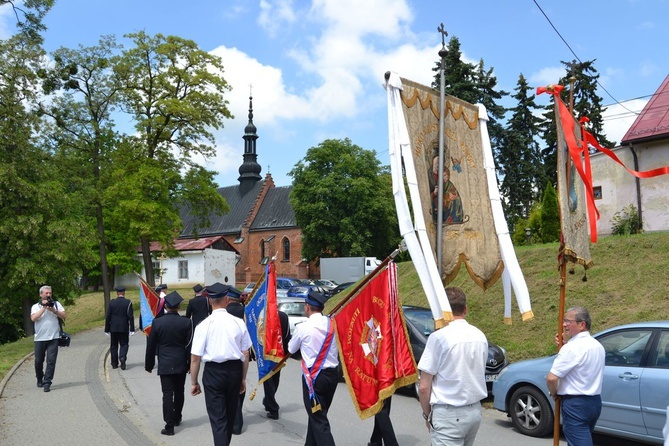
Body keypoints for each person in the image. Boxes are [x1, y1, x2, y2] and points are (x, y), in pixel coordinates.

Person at [417, 287, 488, 446]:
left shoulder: (438, 337)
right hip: (474, 411)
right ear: (465, 309)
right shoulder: (480, 335)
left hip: (449, 412)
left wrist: (427, 415)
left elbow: (424, 386)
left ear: (443, 310)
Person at [190, 287, 252, 446]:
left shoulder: (203, 325)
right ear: (226, 300)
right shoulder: (238, 322)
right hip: (234, 371)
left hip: (213, 372)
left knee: (218, 419)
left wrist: (193, 382)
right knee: (230, 415)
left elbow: (195, 358)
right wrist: (243, 378)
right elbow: (246, 353)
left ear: (210, 301)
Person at [546, 306, 605, 446]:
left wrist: (554, 393)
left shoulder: (572, 348)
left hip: (575, 404)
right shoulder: (597, 345)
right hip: (594, 402)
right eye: (564, 320)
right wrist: (566, 344)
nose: (564, 324)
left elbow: (552, 378)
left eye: (568, 321)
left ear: (582, 324)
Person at [288, 289, 339, 446]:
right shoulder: (333, 324)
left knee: (319, 419)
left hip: (314, 378)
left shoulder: (303, 327)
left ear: (307, 307)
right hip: (333, 376)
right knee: (318, 415)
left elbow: (291, 349)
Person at [145, 291, 193, 436]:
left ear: (165, 305)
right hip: (180, 362)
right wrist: (190, 363)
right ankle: (177, 416)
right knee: (179, 392)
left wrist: (149, 364)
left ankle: (169, 425)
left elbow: (151, 345)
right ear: (179, 307)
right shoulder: (186, 322)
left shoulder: (158, 322)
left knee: (167, 394)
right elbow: (189, 345)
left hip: (165, 362)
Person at [30, 285, 67, 393]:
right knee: (38, 361)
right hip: (40, 338)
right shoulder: (35, 306)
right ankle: (39, 377)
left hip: (53, 337)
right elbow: (33, 318)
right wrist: (44, 308)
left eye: (50, 293)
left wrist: (53, 310)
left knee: (51, 361)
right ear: (41, 294)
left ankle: (47, 382)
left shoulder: (56, 304)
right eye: (46, 293)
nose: (48, 295)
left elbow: (64, 316)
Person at [225, 286, 246, 436]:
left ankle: (233, 421)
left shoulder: (225, 312)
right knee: (239, 389)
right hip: (241, 355)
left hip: (228, 353)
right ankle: (237, 421)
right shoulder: (244, 310)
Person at [263, 309, 290, 420]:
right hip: (279, 352)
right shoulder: (283, 315)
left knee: (268, 380)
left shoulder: (263, 316)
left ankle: (272, 406)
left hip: (268, 352)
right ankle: (269, 400)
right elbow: (287, 335)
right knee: (274, 378)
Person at [105, 286, 135, 370]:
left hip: (113, 328)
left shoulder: (112, 303)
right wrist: (132, 329)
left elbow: (108, 317)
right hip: (124, 327)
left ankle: (114, 363)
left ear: (117, 293)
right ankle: (122, 357)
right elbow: (131, 316)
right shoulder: (128, 302)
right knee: (124, 344)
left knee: (114, 345)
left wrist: (106, 329)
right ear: (124, 293)